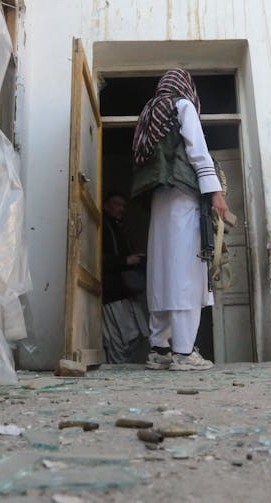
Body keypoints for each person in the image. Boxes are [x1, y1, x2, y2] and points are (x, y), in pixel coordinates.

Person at [131, 68, 228, 371]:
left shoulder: (149, 113)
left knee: (161, 274)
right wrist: (216, 193)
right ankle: (184, 353)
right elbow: (198, 152)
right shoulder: (182, 106)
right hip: (184, 198)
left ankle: (160, 350)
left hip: (160, 201)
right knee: (186, 274)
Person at [101, 192, 150, 363]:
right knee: (119, 339)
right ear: (106, 205)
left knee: (135, 335)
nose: (121, 209)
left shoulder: (117, 227)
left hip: (124, 291)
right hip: (112, 292)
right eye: (117, 204)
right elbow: (96, 258)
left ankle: (120, 369)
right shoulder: (101, 226)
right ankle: (115, 372)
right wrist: (125, 260)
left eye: (123, 206)